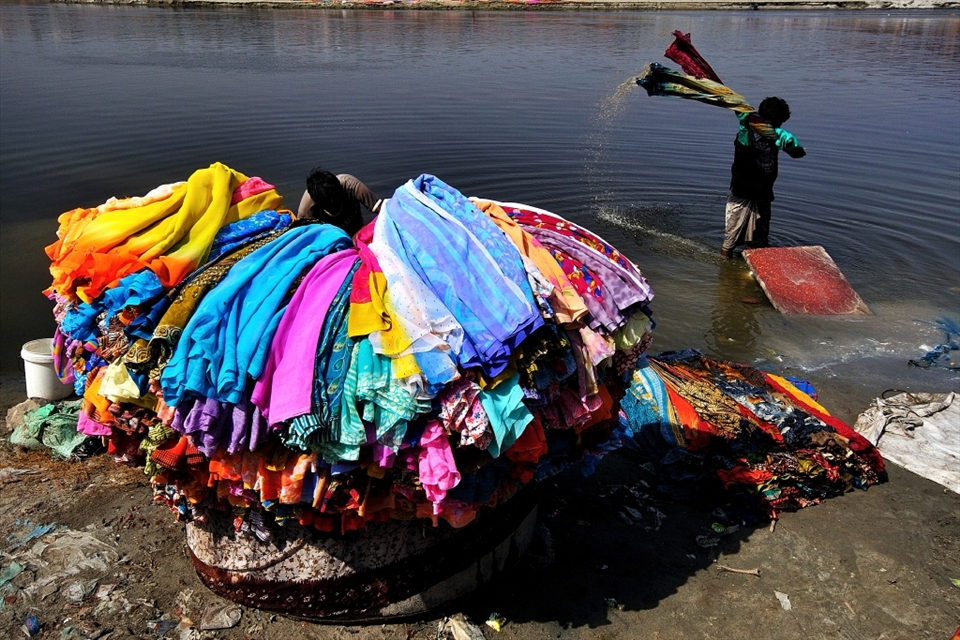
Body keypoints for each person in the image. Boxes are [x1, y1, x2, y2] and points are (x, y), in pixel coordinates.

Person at [721, 97, 805, 258]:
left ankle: (756, 265)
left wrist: (792, 144)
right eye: (776, 124)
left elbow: (798, 153)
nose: (778, 127)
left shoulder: (777, 137)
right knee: (730, 240)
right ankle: (725, 273)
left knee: (761, 240)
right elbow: (743, 150)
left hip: (763, 193)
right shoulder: (747, 134)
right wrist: (744, 126)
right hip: (743, 192)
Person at [297, 168, 383, 237]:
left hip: (358, 230)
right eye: (331, 205)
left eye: (337, 200)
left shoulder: (352, 186)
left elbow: (382, 210)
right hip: (332, 239)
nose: (336, 206)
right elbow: (303, 235)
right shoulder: (307, 209)